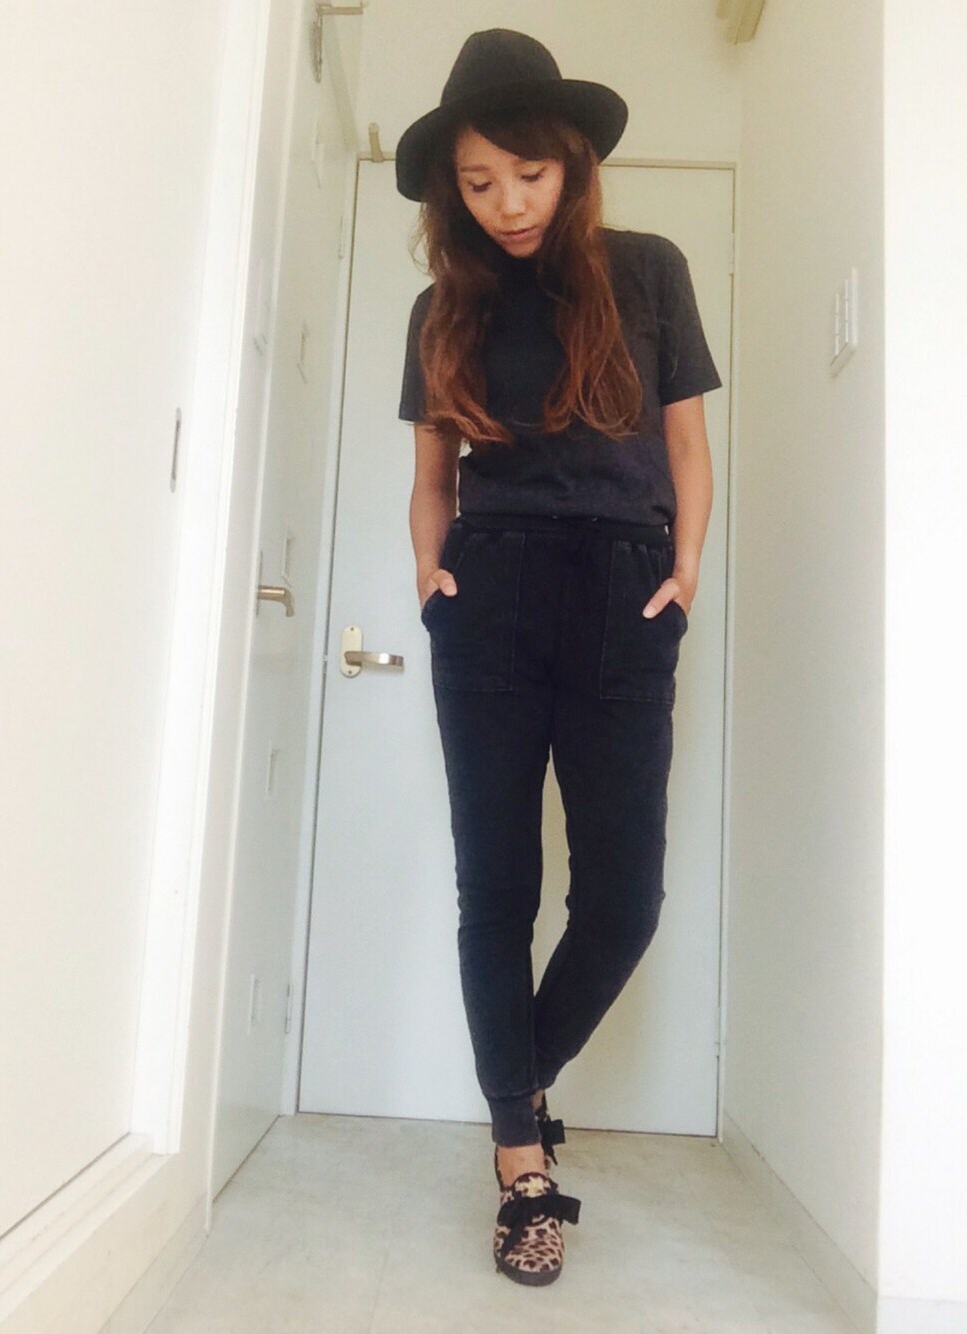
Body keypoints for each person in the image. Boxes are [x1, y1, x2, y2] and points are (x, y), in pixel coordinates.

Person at [395, 29, 722, 1286]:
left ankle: (515, 1088)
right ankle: (522, 1164)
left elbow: (684, 448)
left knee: (622, 899)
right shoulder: (444, 308)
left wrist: (683, 571)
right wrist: (432, 576)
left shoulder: (648, 270)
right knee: (498, 889)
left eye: (526, 174)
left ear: (572, 163)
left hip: (624, 588)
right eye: (478, 182)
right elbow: (431, 475)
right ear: (453, 191)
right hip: (491, 587)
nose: (507, 203)